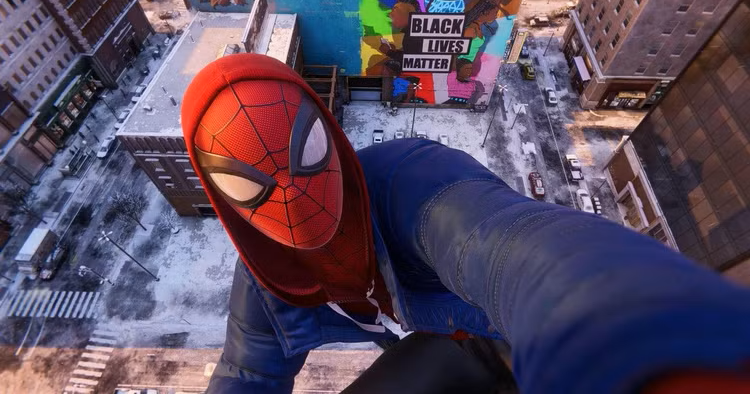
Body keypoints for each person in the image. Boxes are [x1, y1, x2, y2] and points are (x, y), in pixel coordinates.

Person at [182, 54, 750, 394]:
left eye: (305, 152)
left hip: (503, 341)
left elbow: (511, 248)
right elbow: (247, 373)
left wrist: (643, 346)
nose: (291, 195)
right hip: (447, 345)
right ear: (226, 203)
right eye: (247, 186)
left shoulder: (414, 185)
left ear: (328, 134)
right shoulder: (270, 275)